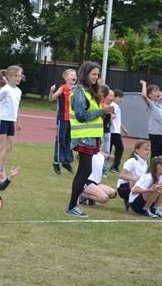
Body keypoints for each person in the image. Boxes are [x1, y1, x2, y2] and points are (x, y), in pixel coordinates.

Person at [65, 61, 114, 218]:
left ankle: (74, 204)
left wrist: (105, 113)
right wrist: (101, 111)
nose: (96, 77)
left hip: (90, 137)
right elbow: (81, 116)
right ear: (85, 74)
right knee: (85, 171)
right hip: (83, 138)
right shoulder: (79, 91)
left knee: (85, 171)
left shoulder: (89, 91)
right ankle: (73, 205)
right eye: (93, 74)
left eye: (97, 74)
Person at [0, 65, 24, 172]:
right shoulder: (5, 90)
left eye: (20, 76)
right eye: (16, 75)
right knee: (1, 144)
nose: (19, 78)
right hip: (3, 119)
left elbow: (17, 107)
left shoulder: (18, 91)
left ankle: (1, 167)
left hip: (11, 120)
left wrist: (18, 122)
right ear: (10, 77)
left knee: (9, 146)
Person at [49, 68, 77, 174]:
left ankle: (66, 161)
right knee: (60, 139)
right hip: (62, 118)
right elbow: (51, 99)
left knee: (69, 140)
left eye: (75, 74)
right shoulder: (63, 88)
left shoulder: (77, 89)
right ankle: (57, 161)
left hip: (73, 119)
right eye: (71, 74)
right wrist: (52, 90)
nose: (74, 76)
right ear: (65, 77)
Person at [116, 140, 151, 211]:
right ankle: (131, 203)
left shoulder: (145, 163)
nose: (147, 152)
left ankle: (148, 207)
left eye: (149, 150)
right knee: (135, 182)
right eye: (145, 149)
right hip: (123, 188)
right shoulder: (132, 161)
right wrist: (134, 179)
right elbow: (121, 175)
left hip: (134, 186)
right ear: (137, 150)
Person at [108, 89, 129, 173]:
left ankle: (104, 165)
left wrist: (123, 128)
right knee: (120, 148)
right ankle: (115, 167)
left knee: (108, 149)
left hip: (113, 131)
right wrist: (111, 116)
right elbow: (112, 117)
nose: (121, 100)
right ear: (115, 97)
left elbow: (116, 119)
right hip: (114, 132)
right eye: (120, 97)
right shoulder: (114, 106)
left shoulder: (114, 105)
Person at [140, 80, 162, 158]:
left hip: (160, 134)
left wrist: (159, 95)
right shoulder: (152, 105)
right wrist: (144, 84)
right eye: (155, 91)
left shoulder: (159, 104)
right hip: (156, 135)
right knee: (156, 156)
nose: (158, 92)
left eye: (159, 90)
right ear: (150, 95)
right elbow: (143, 96)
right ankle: (151, 170)